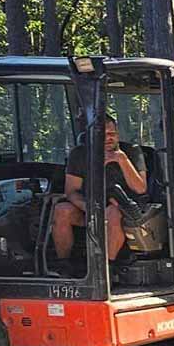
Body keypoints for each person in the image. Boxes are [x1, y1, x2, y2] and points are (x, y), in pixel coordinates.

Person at [52, 112, 149, 265]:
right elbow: (71, 191)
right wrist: (88, 207)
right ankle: (64, 265)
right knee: (61, 210)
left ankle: (107, 268)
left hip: (122, 208)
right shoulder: (79, 154)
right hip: (89, 207)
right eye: (102, 135)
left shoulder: (131, 152)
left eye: (112, 133)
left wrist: (121, 160)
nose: (108, 138)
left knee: (113, 213)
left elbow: (140, 188)